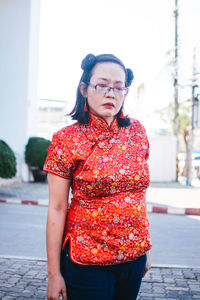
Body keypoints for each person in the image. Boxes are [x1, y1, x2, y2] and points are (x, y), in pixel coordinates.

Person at [43, 53, 152, 300]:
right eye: (102, 85)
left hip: (134, 258)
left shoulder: (137, 132)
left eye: (118, 87)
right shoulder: (66, 139)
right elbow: (57, 208)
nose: (110, 93)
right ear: (84, 88)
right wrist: (53, 274)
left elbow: (138, 194)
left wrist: (144, 248)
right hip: (87, 261)